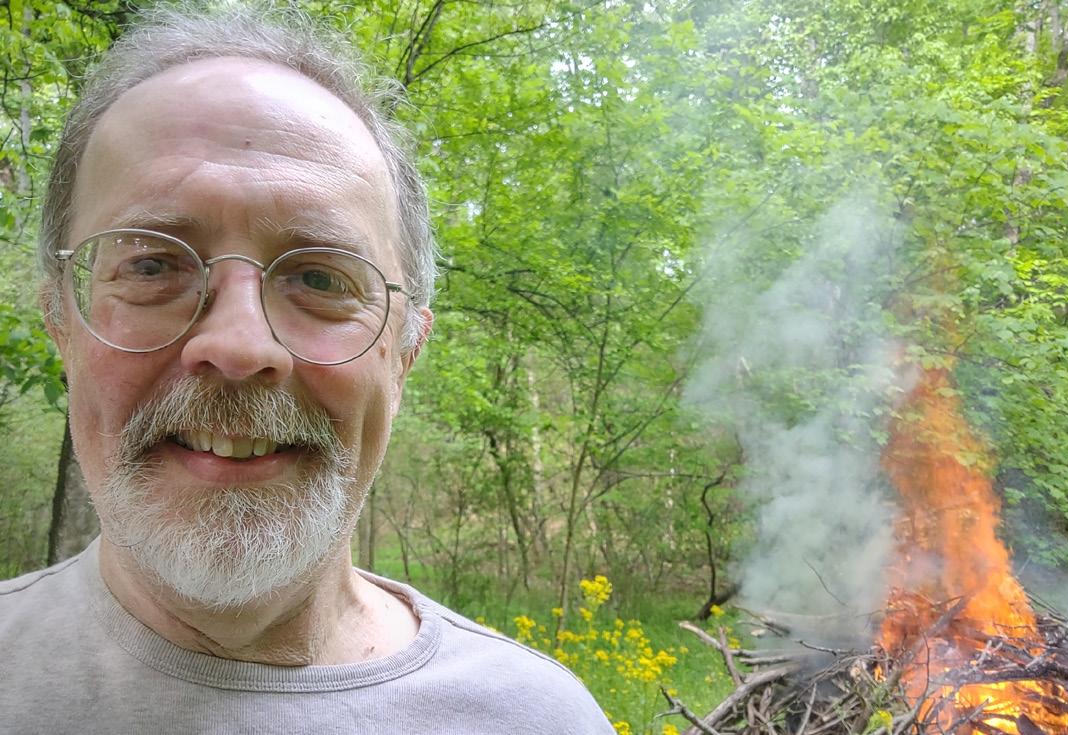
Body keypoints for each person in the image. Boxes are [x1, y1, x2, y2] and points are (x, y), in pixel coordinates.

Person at [0, 5, 613, 733]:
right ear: (61, 324)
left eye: (321, 279)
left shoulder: (539, 720)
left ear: (404, 354)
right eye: (153, 264)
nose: (239, 347)